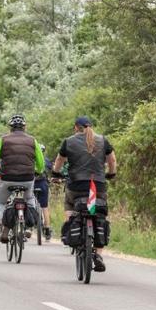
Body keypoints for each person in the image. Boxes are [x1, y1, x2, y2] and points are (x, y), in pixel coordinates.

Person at [52, 116, 116, 272]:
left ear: (76, 127)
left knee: (69, 203)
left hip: (76, 185)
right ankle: (99, 254)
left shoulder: (69, 142)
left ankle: (71, 227)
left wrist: (55, 172)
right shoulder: (102, 140)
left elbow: (60, 160)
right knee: (100, 214)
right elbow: (112, 160)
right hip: (98, 186)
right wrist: (111, 174)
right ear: (91, 126)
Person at [0, 115, 45, 244]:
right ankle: (29, 226)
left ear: (10, 128)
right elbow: (40, 162)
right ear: (24, 127)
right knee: (29, 199)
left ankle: (5, 227)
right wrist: (38, 171)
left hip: (8, 178)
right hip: (27, 178)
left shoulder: (3, 140)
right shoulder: (33, 140)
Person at [34, 144, 54, 241]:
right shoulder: (46, 160)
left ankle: (27, 227)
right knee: (45, 207)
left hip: (32, 184)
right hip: (43, 184)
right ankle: (47, 229)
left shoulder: (31, 159)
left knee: (29, 202)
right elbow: (51, 170)